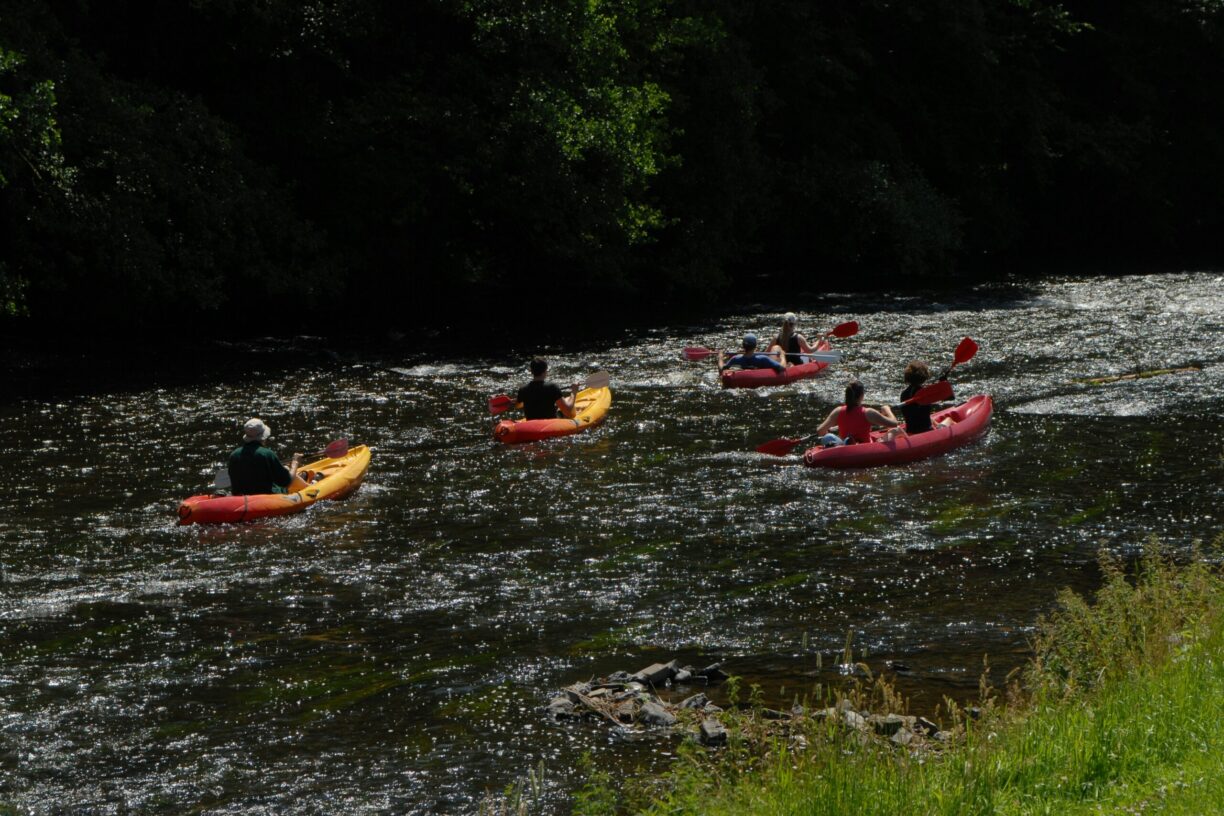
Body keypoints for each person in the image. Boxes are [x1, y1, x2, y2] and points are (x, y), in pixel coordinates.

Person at [227, 418, 305, 495]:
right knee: (287, 471)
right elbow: (286, 482)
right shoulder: (267, 454)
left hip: (241, 498)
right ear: (263, 437)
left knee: (286, 468)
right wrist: (295, 462)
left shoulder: (234, 455)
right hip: (266, 497)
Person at [815, 380, 903, 447]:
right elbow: (894, 424)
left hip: (844, 449)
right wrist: (887, 409)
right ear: (862, 396)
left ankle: (845, 443)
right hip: (865, 448)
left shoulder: (838, 411)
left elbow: (820, 431)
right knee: (896, 430)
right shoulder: (869, 413)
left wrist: (828, 431)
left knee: (829, 437)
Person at [898, 361, 954, 434]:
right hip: (927, 431)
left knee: (931, 420)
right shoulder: (926, 393)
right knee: (949, 420)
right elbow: (950, 397)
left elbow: (916, 415)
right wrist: (944, 383)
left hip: (910, 431)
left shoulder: (903, 394)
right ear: (924, 376)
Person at [718, 334, 785, 373]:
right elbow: (782, 368)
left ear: (743, 346)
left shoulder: (735, 359)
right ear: (755, 346)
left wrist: (720, 357)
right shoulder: (763, 359)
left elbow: (721, 369)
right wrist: (783, 356)